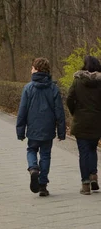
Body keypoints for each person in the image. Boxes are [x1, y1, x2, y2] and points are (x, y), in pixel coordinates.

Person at [16, 57, 66, 197]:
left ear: (36, 69)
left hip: (33, 127)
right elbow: (59, 111)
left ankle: (33, 168)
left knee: (31, 149)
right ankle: (43, 185)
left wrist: (20, 131)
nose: (31, 70)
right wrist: (61, 132)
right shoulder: (53, 88)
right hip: (48, 128)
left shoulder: (28, 88)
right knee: (45, 155)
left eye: (32, 67)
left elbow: (22, 111)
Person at [66, 55, 101, 195]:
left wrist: (74, 111)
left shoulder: (77, 81)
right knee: (93, 149)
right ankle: (94, 176)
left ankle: (85, 183)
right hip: (97, 122)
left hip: (80, 121)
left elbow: (69, 98)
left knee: (83, 152)